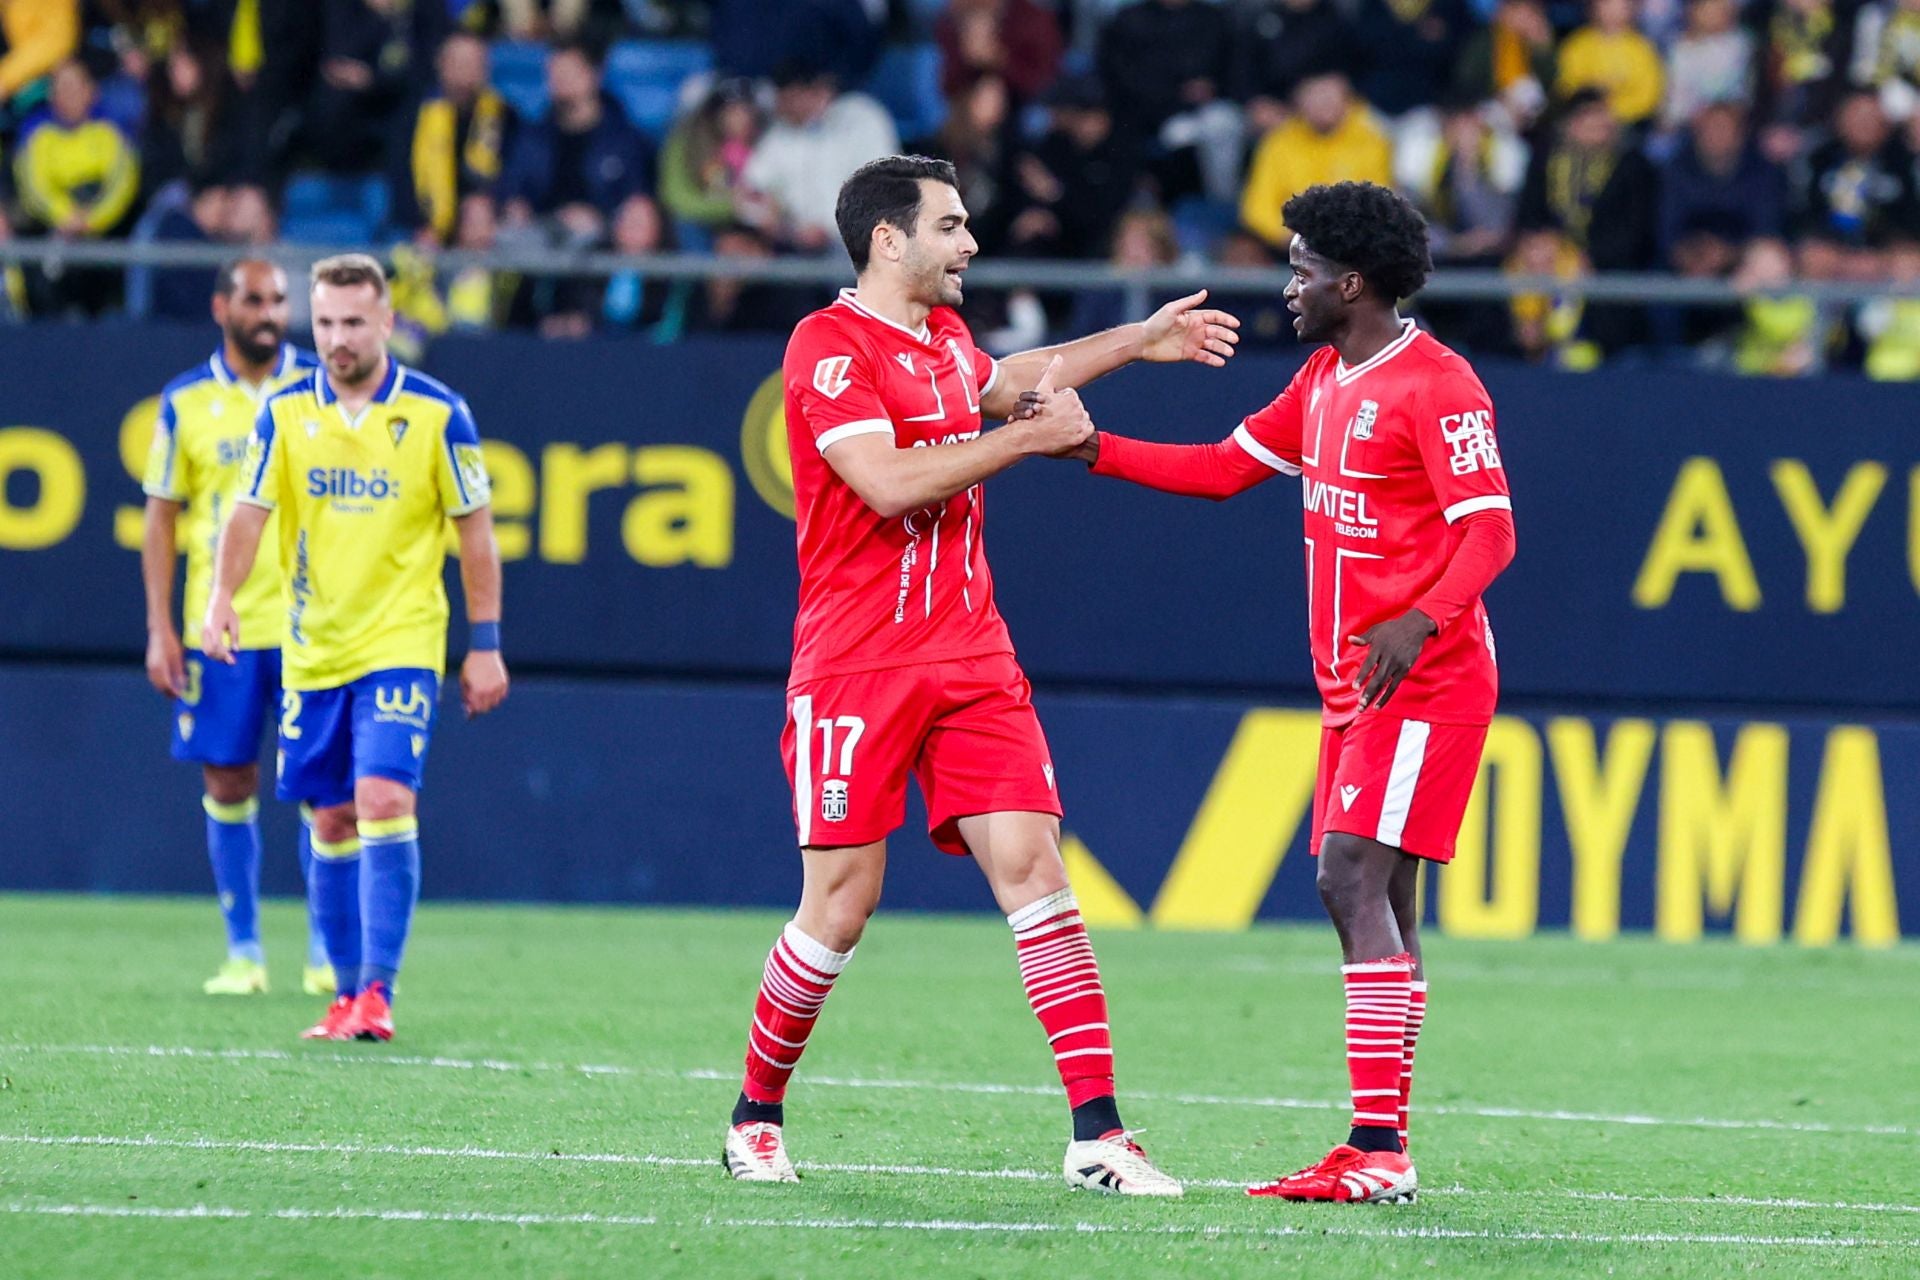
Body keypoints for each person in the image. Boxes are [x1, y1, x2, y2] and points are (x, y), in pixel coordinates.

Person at [720, 154, 1239, 1194]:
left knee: (1037, 870)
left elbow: (1008, 381)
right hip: (856, 661)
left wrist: (1136, 343)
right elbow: (883, 482)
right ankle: (755, 1112)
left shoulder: (947, 339)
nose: (969, 244)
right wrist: (1024, 442)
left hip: (972, 653)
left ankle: (1098, 1131)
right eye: (950, 226)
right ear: (887, 240)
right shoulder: (825, 347)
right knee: (842, 901)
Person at [1062, 181, 1517, 1203]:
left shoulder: (1438, 384)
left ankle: (1378, 1145)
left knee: (1345, 877)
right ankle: (1379, 1144)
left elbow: (1490, 528)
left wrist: (1419, 618)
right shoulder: (1322, 377)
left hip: (1426, 676)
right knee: (1385, 895)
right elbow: (1225, 469)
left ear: (1351, 282)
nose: (1289, 284)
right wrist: (1091, 449)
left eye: (1304, 267)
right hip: (1354, 688)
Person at [203, 253, 509, 1043]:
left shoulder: (440, 414)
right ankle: (343, 996)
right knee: (332, 818)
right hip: (314, 648)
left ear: (385, 321)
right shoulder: (283, 413)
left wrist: (486, 644)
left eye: (352, 322)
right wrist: (220, 600)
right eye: (326, 323)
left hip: (403, 640)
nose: (337, 338)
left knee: (383, 799)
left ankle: (378, 992)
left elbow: (475, 532)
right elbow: (248, 513)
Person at [142, 258, 330, 997]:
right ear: (222, 305)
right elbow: (162, 520)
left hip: (311, 619)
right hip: (218, 625)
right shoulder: (184, 401)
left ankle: (326, 952)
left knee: (322, 787)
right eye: (255, 299)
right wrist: (160, 630)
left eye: (280, 300)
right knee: (228, 774)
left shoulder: (319, 385)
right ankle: (245, 950)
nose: (269, 312)